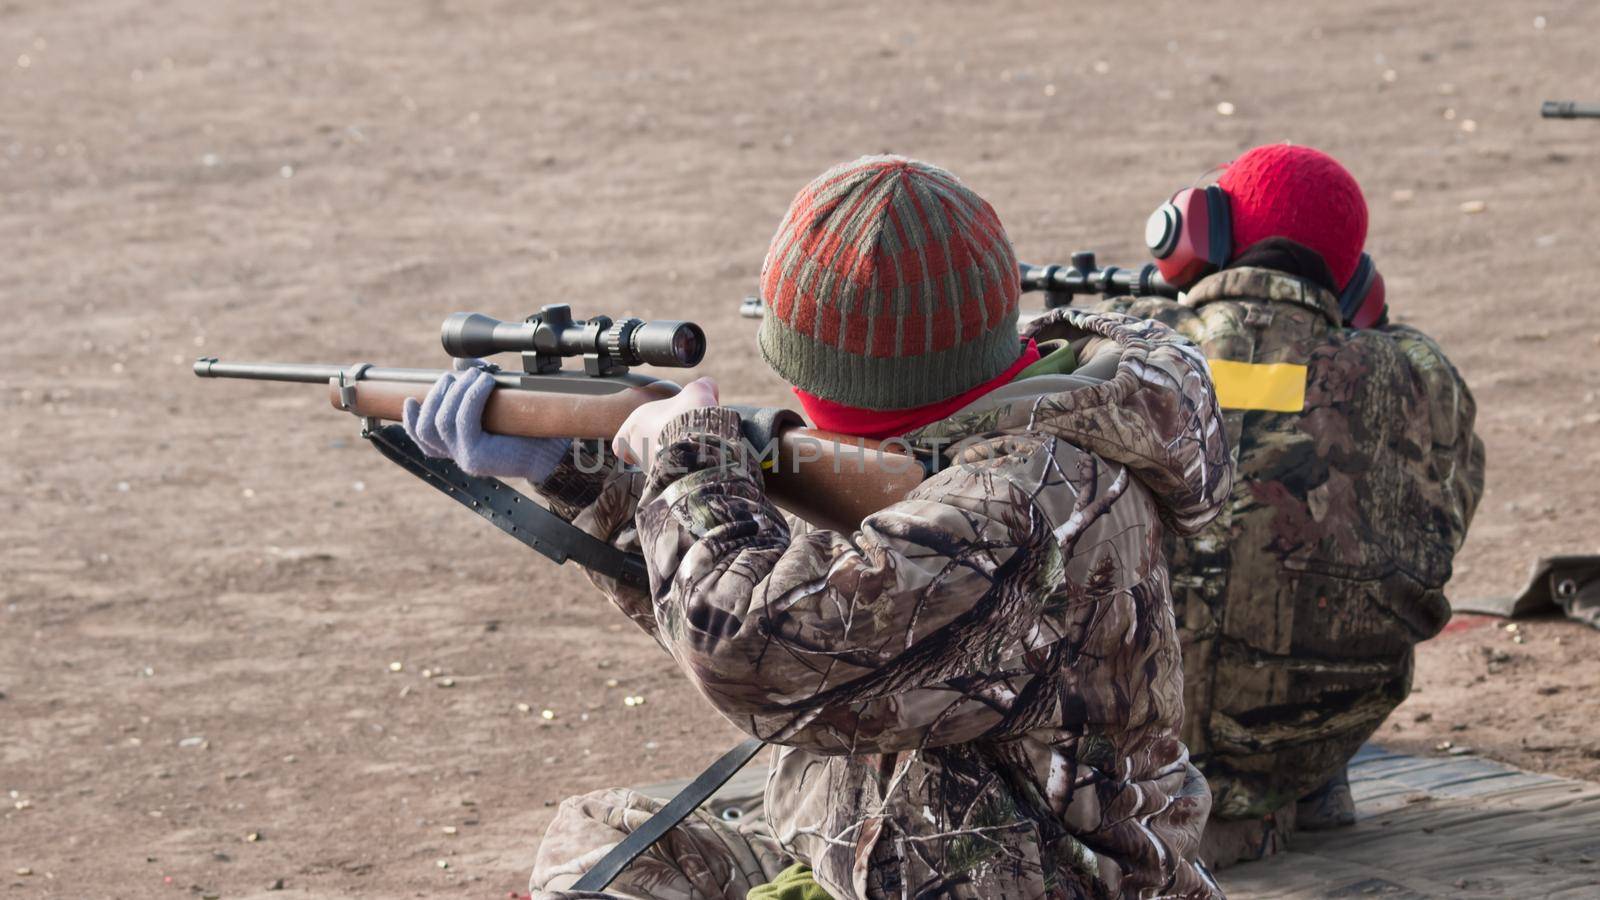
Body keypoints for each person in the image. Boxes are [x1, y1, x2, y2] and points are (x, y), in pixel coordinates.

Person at [404, 155, 1234, 899]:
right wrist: (583, 476)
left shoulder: (1017, 502)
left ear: (828, 379)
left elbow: (753, 648)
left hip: (1032, 876)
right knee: (606, 852)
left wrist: (689, 461)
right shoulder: (1008, 442)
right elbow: (805, 623)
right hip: (915, 844)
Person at [1098, 143, 1486, 865]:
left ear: (1198, 232)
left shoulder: (1120, 342)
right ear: (1354, 284)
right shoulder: (1416, 374)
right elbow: (1437, 535)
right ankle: (1286, 787)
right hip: (1307, 741)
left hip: (1104, 751)